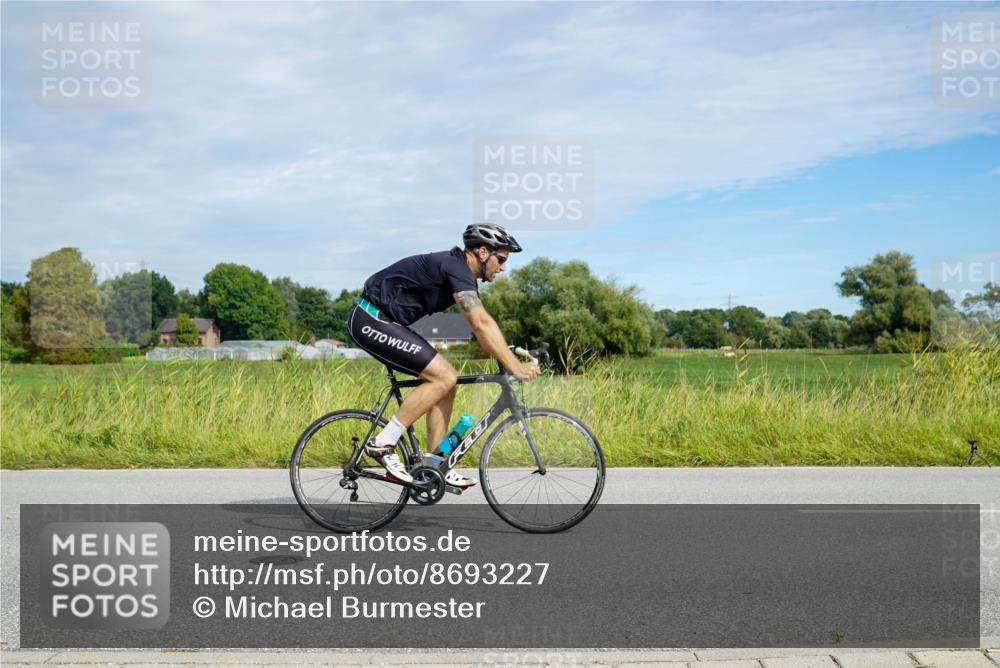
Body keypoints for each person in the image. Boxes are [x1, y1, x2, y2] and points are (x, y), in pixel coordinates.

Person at [348, 223, 540, 488]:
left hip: (387, 322)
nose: (504, 267)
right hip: (370, 319)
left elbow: (480, 323)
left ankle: (435, 464)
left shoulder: (460, 273)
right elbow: (479, 323)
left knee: (447, 383)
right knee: (443, 377)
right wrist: (515, 367)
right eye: (502, 259)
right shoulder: (456, 267)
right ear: (483, 252)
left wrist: (504, 350)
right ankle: (382, 444)